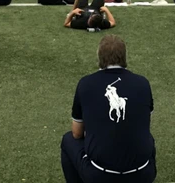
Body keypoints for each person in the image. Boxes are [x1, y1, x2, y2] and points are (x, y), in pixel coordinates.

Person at [60, 35, 155, 181]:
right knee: (147, 138)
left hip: (100, 176)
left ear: (99, 57)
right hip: (143, 174)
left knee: (68, 140)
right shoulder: (143, 83)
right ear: (124, 57)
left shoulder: (85, 84)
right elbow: (144, 122)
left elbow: (77, 133)